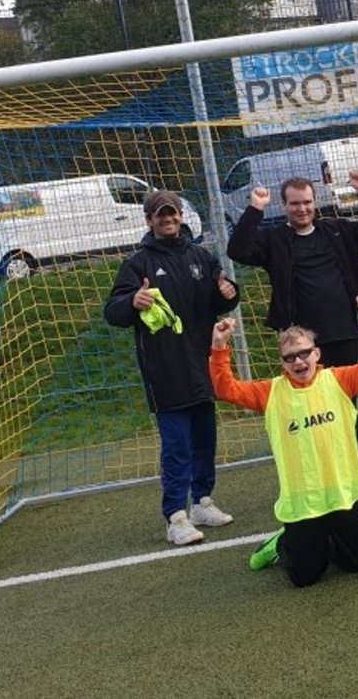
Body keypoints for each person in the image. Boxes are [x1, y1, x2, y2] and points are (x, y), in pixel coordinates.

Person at [226, 169, 358, 492]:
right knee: (308, 410)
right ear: (284, 207)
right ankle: (315, 474)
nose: (301, 209)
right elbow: (238, 250)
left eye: (306, 202)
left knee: (345, 406)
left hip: (343, 333)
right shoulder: (274, 240)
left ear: (316, 203)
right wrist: (255, 209)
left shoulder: (336, 231)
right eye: (294, 204)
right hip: (300, 348)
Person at [209, 294, 358, 588]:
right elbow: (225, 389)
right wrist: (219, 347)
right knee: (304, 578)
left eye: (304, 353)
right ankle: (282, 544)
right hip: (303, 504)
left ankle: (327, 537)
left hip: (343, 495)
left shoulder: (339, 380)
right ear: (282, 363)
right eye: (290, 357)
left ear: (317, 354)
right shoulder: (271, 393)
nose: (299, 361)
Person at [104, 189, 242, 546]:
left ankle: (202, 503)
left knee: (205, 440)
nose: (168, 219)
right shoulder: (138, 264)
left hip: (202, 364)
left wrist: (230, 293)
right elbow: (113, 312)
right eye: (160, 215)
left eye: (173, 213)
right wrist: (132, 301)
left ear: (181, 216)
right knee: (177, 446)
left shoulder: (200, 255)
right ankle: (175, 517)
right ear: (149, 220)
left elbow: (220, 293)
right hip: (165, 371)